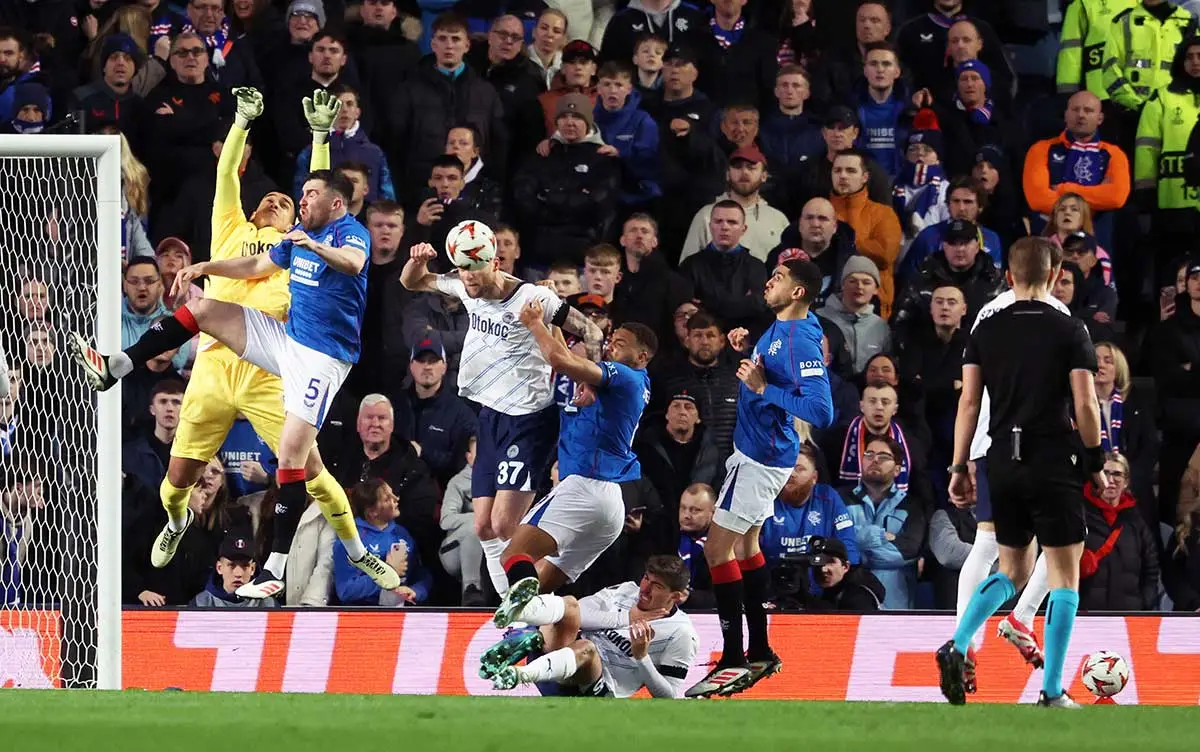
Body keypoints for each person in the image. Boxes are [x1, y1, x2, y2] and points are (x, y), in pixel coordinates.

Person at [71, 87, 400, 600]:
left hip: (291, 369)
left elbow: (339, 229)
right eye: (277, 196)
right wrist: (205, 264)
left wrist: (318, 141)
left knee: (308, 469)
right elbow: (240, 193)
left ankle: (352, 552)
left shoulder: (333, 234)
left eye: (289, 201)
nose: (280, 200)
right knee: (177, 474)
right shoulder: (238, 230)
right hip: (224, 365)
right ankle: (118, 368)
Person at [939, 236, 1109, 709]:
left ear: (1009, 276)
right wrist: (1094, 461)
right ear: (1055, 275)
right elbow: (1085, 403)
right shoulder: (1068, 327)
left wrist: (958, 465)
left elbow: (969, 402)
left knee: (1010, 569)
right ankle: (1052, 691)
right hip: (1051, 458)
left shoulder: (986, 329)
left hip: (1000, 460)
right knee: (1064, 575)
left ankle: (957, 643)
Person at [399, 233, 604, 600]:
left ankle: (541, 590)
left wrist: (590, 378)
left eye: (475, 272)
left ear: (495, 263)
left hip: (528, 421)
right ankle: (515, 610)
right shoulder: (464, 286)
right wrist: (417, 259)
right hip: (491, 416)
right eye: (463, 272)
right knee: (482, 527)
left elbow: (590, 329)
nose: (468, 281)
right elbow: (412, 281)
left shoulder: (532, 297)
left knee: (505, 524)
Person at [686, 259, 835, 698]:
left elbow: (821, 411)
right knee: (747, 547)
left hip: (761, 457)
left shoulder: (799, 340)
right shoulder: (778, 330)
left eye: (779, 278)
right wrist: (748, 348)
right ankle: (760, 649)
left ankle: (733, 658)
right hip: (760, 452)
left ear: (797, 293)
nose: (768, 281)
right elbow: (773, 370)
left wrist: (760, 389)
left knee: (716, 551)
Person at [491, 310, 656, 626]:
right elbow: (569, 358)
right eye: (610, 342)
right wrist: (552, 316)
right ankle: (535, 630)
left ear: (642, 356)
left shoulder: (625, 376)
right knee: (538, 585)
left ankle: (603, 619)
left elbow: (559, 360)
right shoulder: (621, 386)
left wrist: (534, 321)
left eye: (619, 344)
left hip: (584, 488)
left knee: (512, 557)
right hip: (609, 505)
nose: (610, 349)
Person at [480, 555, 698, 698]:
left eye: (657, 586)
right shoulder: (626, 590)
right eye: (646, 578)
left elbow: (668, 695)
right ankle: (519, 615)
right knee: (571, 604)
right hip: (559, 657)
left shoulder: (681, 632)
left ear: (676, 596)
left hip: (596, 687)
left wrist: (642, 657)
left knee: (587, 648)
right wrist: (627, 618)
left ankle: (520, 669)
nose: (645, 589)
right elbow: (580, 613)